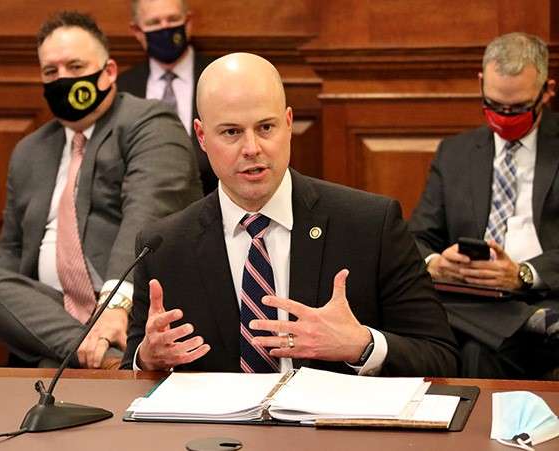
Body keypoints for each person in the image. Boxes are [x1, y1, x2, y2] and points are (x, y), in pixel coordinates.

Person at [122, 52, 458, 377]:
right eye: (232, 132)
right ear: (201, 136)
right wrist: (148, 360)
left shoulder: (370, 225)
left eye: (266, 127)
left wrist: (362, 346)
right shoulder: (163, 246)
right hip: (214, 434)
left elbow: (441, 357)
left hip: (330, 431)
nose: (252, 148)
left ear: (288, 123)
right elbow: (134, 366)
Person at [0, 11, 203, 369]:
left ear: (109, 72)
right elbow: (10, 249)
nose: (63, 80)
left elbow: (146, 216)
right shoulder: (30, 151)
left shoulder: (149, 123)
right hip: (49, 311)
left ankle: (86, 353)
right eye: (51, 72)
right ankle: (101, 359)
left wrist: (116, 304)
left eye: (75, 66)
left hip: (131, 314)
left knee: (47, 366)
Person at [409, 32, 559, 379]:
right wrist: (435, 264)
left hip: (544, 293)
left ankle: (528, 317)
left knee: (476, 345)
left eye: (518, 108)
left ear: (546, 91)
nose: (504, 117)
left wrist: (523, 274)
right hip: (472, 296)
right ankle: (530, 324)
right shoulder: (455, 153)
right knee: (462, 331)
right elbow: (416, 237)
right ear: (481, 84)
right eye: (493, 105)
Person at [117, 0, 217, 195]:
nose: (165, 29)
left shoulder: (219, 76)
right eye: (154, 23)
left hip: (210, 202)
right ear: (137, 31)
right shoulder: (122, 88)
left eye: (172, 20)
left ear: (188, 22)